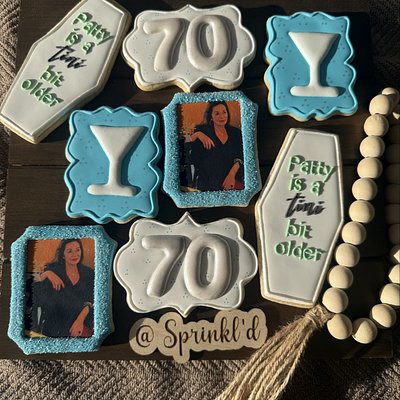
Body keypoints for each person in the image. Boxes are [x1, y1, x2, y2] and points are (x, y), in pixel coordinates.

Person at [30, 239, 94, 338]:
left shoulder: (89, 272)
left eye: (77, 250)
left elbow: (91, 300)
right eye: (69, 251)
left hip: (81, 319)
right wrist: (47, 274)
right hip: (55, 322)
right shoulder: (53, 270)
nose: (75, 254)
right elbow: (33, 286)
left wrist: (80, 320)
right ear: (63, 255)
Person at [183, 101, 244, 191]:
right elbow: (188, 154)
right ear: (211, 116)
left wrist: (232, 174)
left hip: (232, 180)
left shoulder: (235, 132)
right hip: (208, 182)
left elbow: (241, 156)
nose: (222, 117)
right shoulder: (203, 131)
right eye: (217, 113)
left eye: (224, 112)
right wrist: (197, 135)